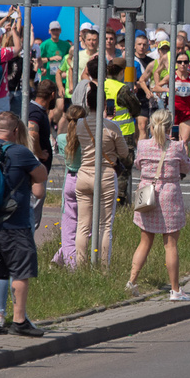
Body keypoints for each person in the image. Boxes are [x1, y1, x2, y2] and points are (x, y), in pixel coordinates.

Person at [0, 112, 47, 337]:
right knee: (20, 271)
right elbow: (42, 175)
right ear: (16, 131)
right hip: (14, 222)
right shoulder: (20, 152)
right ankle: (19, 321)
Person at [126, 109, 190, 301]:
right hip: (169, 194)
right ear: (169, 125)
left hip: (147, 192)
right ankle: (175, 290)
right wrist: (185, 152)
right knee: (170, 244)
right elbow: (187, 167)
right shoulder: (177, 146)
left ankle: (131, 282)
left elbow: (138, 164)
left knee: (145, 240)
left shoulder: (143, 144)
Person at [75, 85, 130, 266]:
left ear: (87, 103)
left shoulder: (80, 124)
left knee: (82, 225)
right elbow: (123, 153)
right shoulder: (111, 126)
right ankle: (104, 268)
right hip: (105, 175)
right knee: (105, 226)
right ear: (105, 104)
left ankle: (80, 267)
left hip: (83, 174)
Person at [52, 105, 85, 268]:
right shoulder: (88, 140)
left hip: (70, 181)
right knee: (85, 227)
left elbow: (59, 135)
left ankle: (58, 258)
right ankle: (72, 267)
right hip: (85, 180)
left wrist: (64, 117)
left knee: (69, 229)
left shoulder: (62, 138)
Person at [104, 58, 140, 204]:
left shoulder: (101, 85)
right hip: (123, 133)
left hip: (104, 131)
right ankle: (120, 201)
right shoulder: (122, 89)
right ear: (121, 72)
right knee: (123, 168)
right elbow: (136, 108)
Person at [27, 80, 57, 229]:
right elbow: (32, 133)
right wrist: (39, 153)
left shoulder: (35, 110)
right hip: (36, 167)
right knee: (33, 210)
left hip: (37, 167)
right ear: (52, 95)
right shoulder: (35, 111)